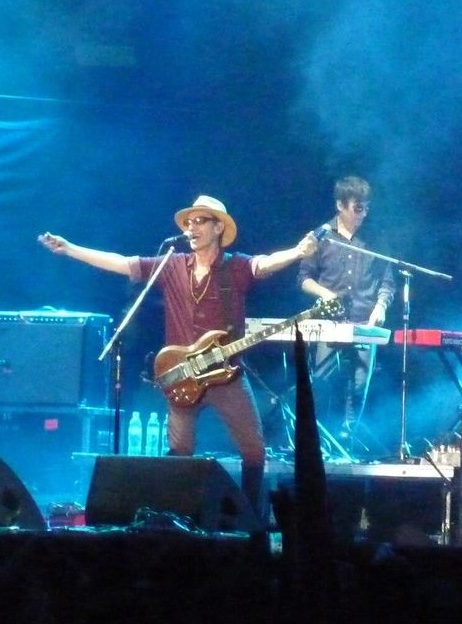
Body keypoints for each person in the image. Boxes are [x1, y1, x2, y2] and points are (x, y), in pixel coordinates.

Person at [39, 195, 316, 515]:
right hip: (183, 375)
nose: (191, 228)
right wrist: (71, 249)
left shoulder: (235, 267)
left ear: (218, 228)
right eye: (189, 222)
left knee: (254, 451)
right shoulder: (171, 264)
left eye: (200, 221)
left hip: (226, 375)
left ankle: (250, 520)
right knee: (180, 450)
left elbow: (264, 264)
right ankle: (179, 519)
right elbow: (122, 263)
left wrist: (297, 252)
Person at [297, 176, 395, 456]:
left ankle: (347, 439)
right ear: (340, 205)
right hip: (330, 322)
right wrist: (325, 294)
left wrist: (380, 307)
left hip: (364, 321)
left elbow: (387, 281)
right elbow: (303, 279)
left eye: (366, 208)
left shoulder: (375, 239)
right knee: (323, 381)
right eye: (357, 208)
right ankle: (319, 441)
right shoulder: (321, 236)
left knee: (360, 384)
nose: (362, 214)